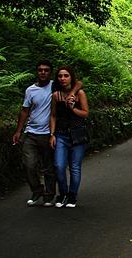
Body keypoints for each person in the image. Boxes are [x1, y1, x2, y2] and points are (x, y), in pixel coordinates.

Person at [12, 61, 81, 207]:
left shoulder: (55, 86)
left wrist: (73, 93)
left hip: (48, 133)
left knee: (49, 167)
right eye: (40, 70)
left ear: (50, 72)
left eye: (46, 70)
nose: (43, 72)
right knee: (28, 164)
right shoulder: (30, 90)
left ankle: (49, 195)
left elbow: (78, 83)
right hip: (31, 131)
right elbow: (25, 110)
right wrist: (18, 130)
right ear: (36, 72)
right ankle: (37, 190)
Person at [50, 65, 89, 208]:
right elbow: (53, 115)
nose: (63, 79)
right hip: (61, 134)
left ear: (71, 77)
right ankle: (63, 193)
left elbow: (85, 113)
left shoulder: (80, 94)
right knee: (59, 166)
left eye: (66, 76)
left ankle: (72, 195)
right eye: (60, 76)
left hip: (77, 134)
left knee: (74, 167)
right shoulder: (56, 96)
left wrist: (73, 108)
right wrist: (52, 134)